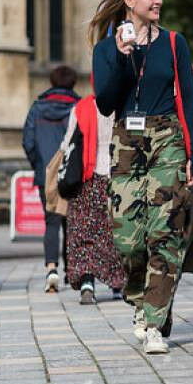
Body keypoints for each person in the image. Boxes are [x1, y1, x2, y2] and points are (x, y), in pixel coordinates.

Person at [92, 0, 193, 355]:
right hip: (126, 141)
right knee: (128, 240)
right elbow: (106, 102)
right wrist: (121, 57)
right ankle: (143, 300)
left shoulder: (175, 43)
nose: (159, 1)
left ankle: (155, 322)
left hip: (167, 140)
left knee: (165, 232)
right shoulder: (106, 48)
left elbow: (190, 100)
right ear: (130, 1)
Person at [58, 95, 126, 304]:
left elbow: (67, 144)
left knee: (83, 231)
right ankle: (117, 282)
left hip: (85, 178)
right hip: (117, 174)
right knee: (114, 230)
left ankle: (87, 282)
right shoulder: (123, 103)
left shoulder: (82, 107)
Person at [22, 65, 80, 292]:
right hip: (73, 173)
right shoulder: (78, 107)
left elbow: (27, 141)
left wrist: (39, 165)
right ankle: (71, 270)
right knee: (72, 223)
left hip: (46, 173)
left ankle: (51, 269)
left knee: (51, 222)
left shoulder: (37, 108)